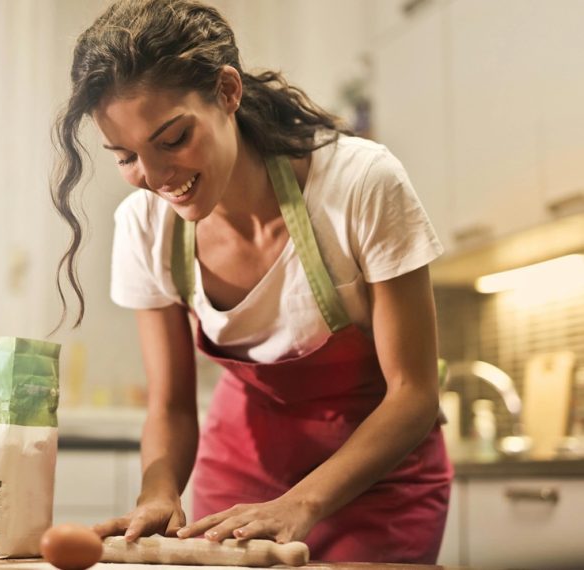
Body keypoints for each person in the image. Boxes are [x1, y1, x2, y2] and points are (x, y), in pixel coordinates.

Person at [50, 0, 452, 563]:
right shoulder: (144, 227)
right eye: (127, 157)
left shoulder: (360, 185)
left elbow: (413, 394)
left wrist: (301, 504)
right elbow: (169, 406)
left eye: (172, 139)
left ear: (227, 92)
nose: (156, 177)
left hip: (378, 487)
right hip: (237, 481)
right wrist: (158, 491)